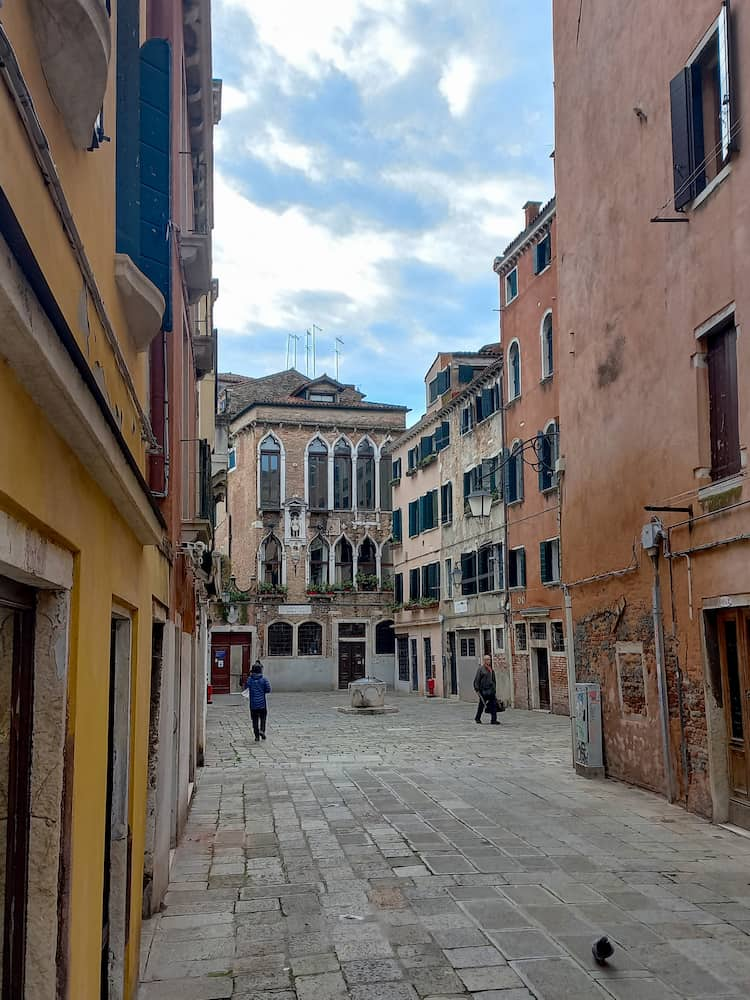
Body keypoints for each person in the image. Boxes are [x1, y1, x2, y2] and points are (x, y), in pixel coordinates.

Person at [244, 660, 271, 742]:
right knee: (263, 718)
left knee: (254, 720)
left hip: (253, 704)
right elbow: (268, 689)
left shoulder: (250, 680)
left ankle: (256, 736)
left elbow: (246, 688)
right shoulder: (264, 679)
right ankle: (262, 731)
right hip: (262, 704)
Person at [473, 655, 500, 725]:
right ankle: (477, 718)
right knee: (481, 705)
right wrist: (477, 689)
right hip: (483, 690)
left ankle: (494, 720)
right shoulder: (481, 669)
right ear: (484, 661)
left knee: (493, 704)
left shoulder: (491, 669)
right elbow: (477, 680)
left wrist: (494, 689)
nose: (489, 661)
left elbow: (493, 680)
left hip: (491, 690)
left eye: (489, 660)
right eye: (487, 660)